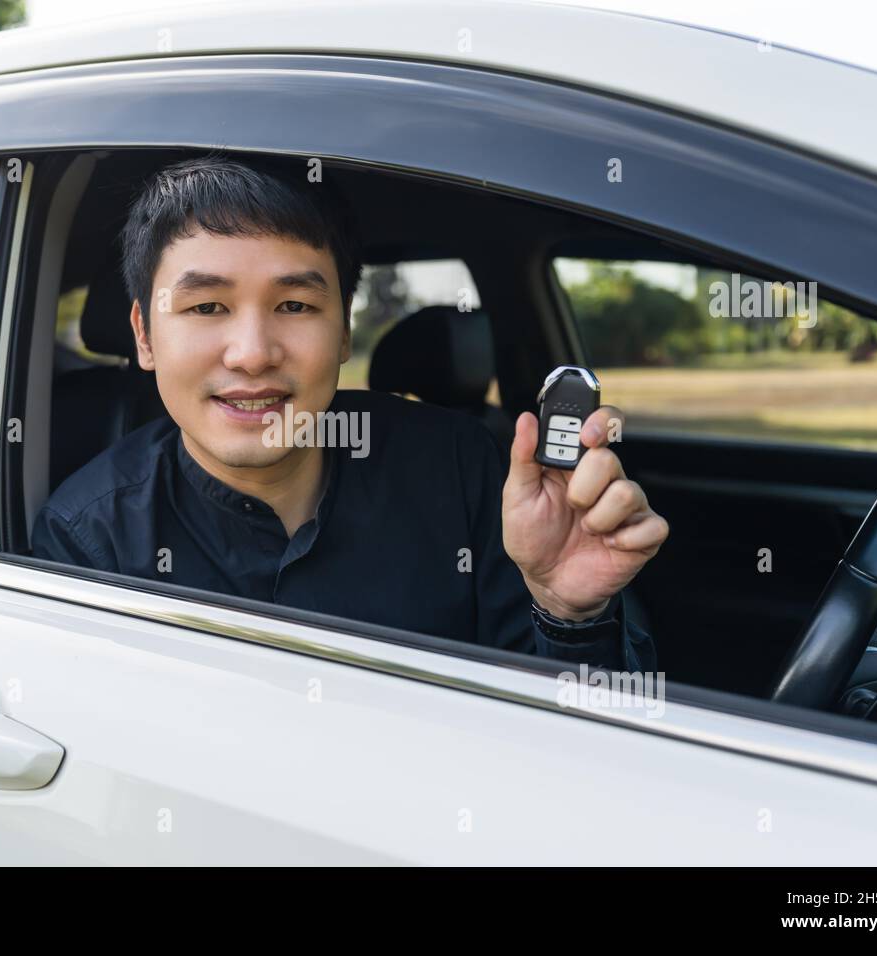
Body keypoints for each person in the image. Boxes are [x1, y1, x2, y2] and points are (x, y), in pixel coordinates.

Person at [33, 155, 668, 670]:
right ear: (145, 335)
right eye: (206, 308)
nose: (253, 355)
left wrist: (568, 615)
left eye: (295, 306)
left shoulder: (464, 469)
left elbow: (597, 758)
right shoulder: (90, 537)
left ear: (342, 333)